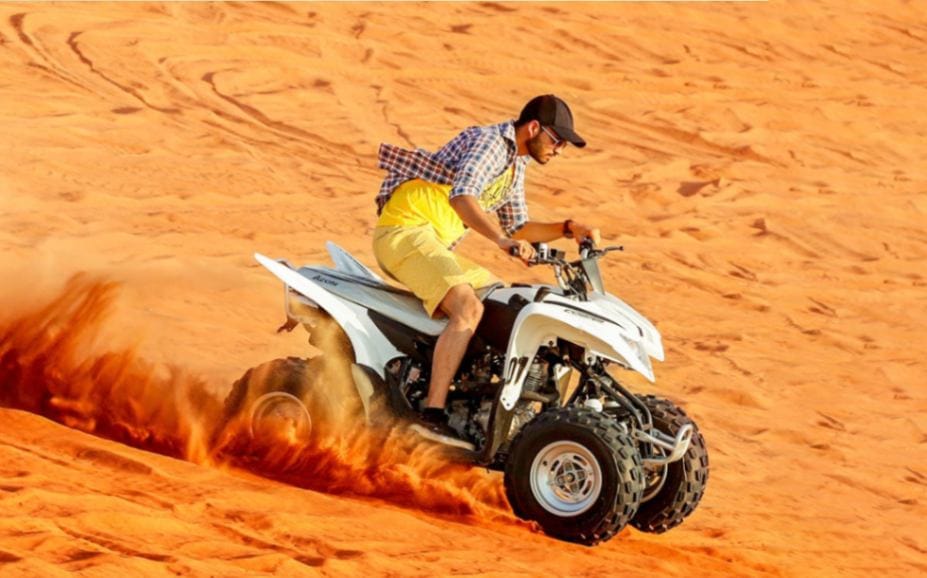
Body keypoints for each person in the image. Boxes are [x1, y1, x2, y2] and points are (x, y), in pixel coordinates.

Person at [372, 94, 601, 445]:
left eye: (564, 145)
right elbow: (462, 197)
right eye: (556, 140)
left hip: (428, 242)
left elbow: (519, 227)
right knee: (468, 307)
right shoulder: (492, 144)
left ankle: (470, 398)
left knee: (503, 302)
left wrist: (568, 228)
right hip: (405, 231)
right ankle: (431, 415)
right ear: (534, 128)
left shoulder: (515, 165)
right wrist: (499, 241)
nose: (559, 150)